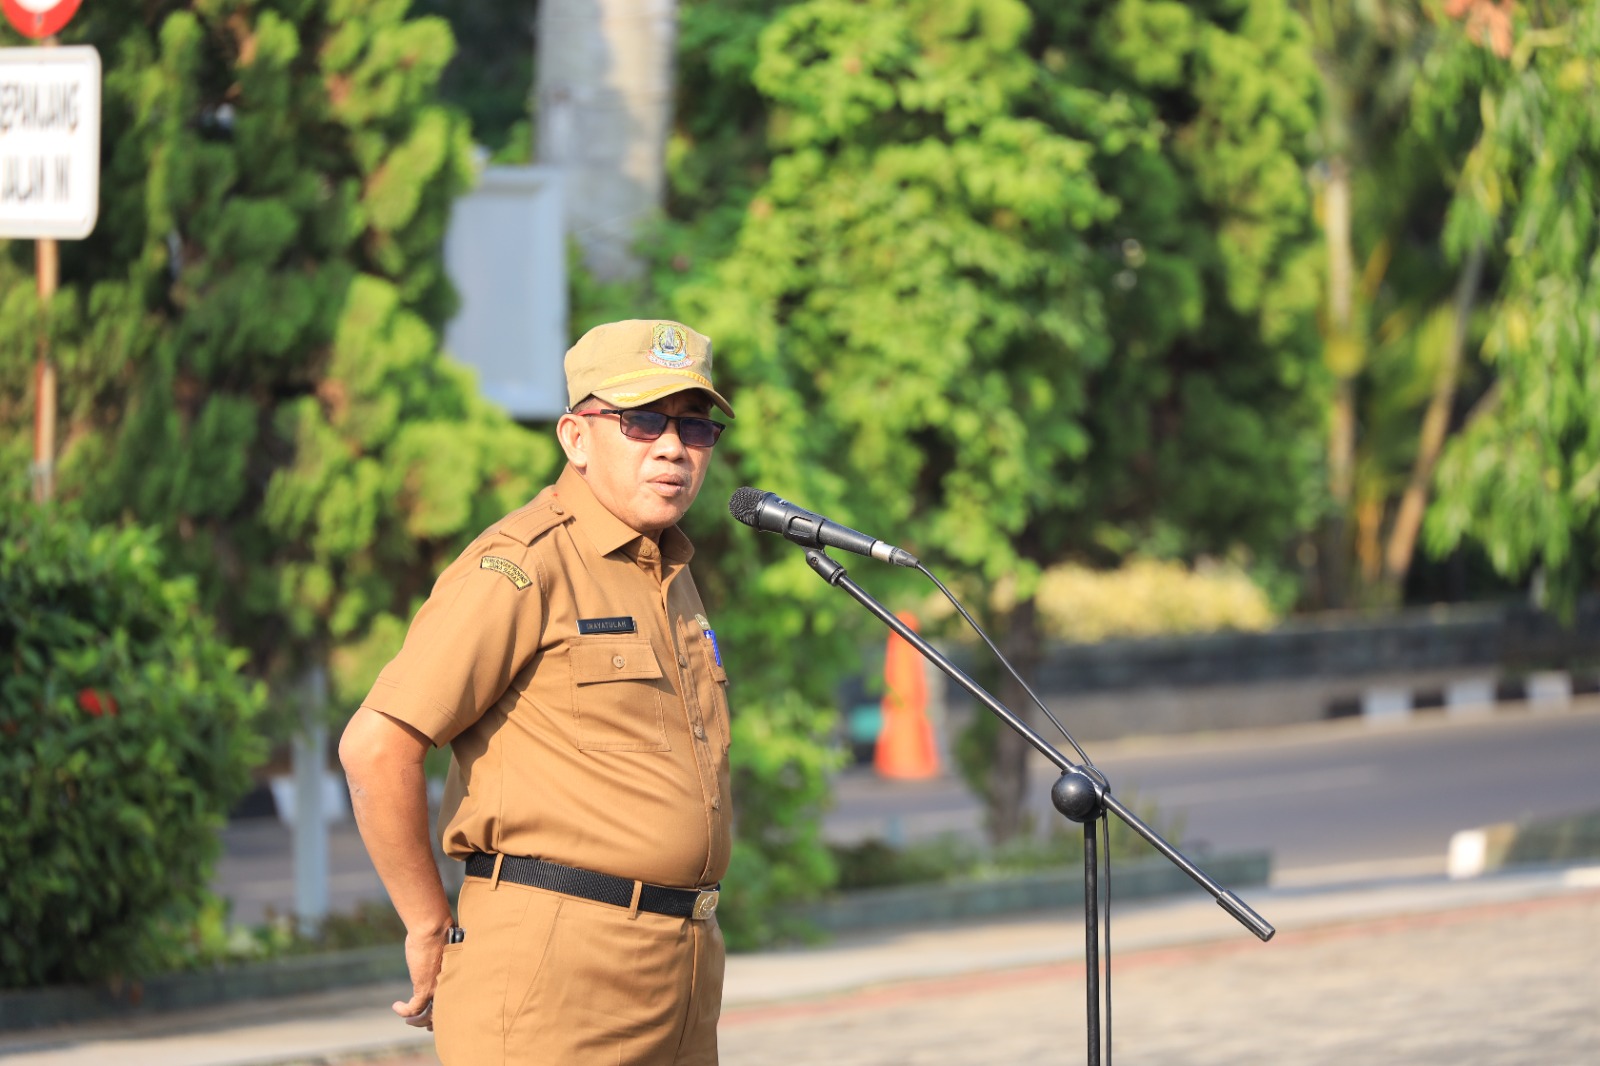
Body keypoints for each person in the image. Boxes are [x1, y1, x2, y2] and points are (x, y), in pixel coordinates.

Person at [339, 319, 736, 1065]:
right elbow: (376, 745)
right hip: (556, 973)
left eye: (695, 426)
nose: (673, 448)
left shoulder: (667, 571)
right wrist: (426, 923)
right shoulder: (521, 566)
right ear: (575, 438)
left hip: (679, 969)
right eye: (641, 420)